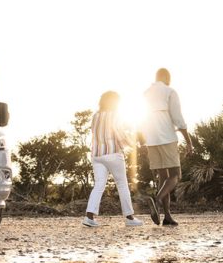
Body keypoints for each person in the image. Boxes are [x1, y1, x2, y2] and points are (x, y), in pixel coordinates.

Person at [83, 91, 143, 228]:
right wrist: (132, 145)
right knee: (122, 184)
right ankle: (129, 218)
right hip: (112, 153)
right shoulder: (115, 115)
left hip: (97, 155)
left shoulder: (95, 116)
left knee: (99, 185)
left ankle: (89, 217)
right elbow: (119, 134)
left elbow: (94, 134)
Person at [142, 68, 193, 226]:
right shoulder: (170, 91)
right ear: (165, 77)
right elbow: (178, 118)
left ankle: (167, 216)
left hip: (151, 140)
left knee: (163, 178)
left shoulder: (146, 93)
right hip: (167, 138)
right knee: (175, 175)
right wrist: (189, 141)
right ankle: (157, 199)